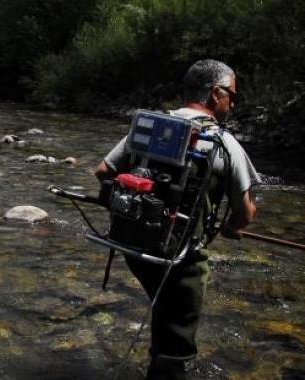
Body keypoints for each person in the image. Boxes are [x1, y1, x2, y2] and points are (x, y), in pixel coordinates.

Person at [94, 59, 259, 379]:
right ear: (215, 94)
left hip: (134, 247)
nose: (233, 102)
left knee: (163, 309)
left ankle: (159, 354)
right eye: (232, 95)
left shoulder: (149, 125)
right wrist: (231, 228)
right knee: (175, 348)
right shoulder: (225, 143)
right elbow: (246, 214)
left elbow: (103, 172)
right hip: (181, 258)